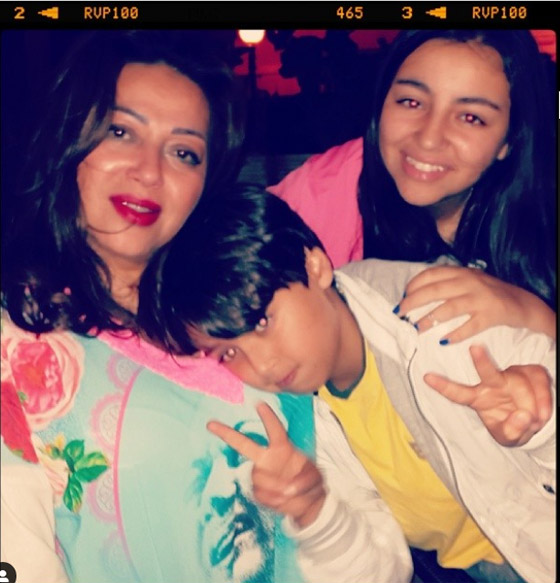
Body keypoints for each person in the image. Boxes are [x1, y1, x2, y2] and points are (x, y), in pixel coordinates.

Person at [1, 30, 412, 583]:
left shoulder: (259, 315)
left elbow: (384, 564)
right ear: (67, 142)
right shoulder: (18, 342)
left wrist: (317, 511)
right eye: (120, 131)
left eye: (184, 153)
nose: (150, 171)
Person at [142, 184, 556, 583]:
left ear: (316, 267)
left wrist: (544, 427)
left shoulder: (443, 314)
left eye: (264, 321)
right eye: (229, 352)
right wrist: (315, 511)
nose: (262, 364)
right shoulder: (300, 417)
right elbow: (381, 574)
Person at [268, 29, 556, 344]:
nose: (429, 138)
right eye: (411, 102)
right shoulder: (325, 190)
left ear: (509, 140)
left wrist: (537, 316)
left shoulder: (544, 223)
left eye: (471, 118)